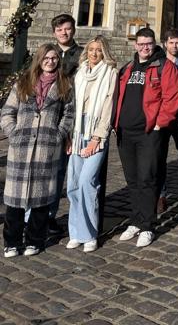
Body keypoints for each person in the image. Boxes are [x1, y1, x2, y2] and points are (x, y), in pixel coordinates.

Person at [113, 27, 178, 248]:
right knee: (133, 180)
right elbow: (117, 96)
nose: (145, 48)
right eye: (141, 44)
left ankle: (148, 225)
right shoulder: (127, 68)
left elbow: (173, 96)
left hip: (149, 133)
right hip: (125, 132)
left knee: (148, 179)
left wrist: (160, 124)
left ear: (154, 44)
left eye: (148, 44)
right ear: (136, 45)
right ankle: (136, 220)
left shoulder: (164, 67)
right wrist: (115, 123)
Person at [1, 44, 73, 258]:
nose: (50, 62)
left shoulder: (65, 85)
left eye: (54, 58)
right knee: (14, 200)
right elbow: (7, 112)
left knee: (41, 199)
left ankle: (35, 240)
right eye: (47, 58)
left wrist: (58, 135)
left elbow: (69, 115)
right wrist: (14, 133)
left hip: (46, 148)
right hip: (21, 148)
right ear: (39, 60)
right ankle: (12, 241)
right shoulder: (23, 83)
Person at [66, 37, 118, 252]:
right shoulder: (80, 73)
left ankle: (89, 234)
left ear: (104, 52)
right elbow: (72, 105)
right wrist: (68, 136)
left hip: (96, 130)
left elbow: (109, 105)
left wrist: (98, 137)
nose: (94, 53)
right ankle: (75, 231)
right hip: (78, 130)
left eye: (98, 50)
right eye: (91, 49)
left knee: (88, 181)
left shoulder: (110, 73)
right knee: (74, 184)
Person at [48, 13, 83, 235]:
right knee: (45, 172)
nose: (64, 32)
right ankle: (39, 215)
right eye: (60, 29)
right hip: (47, 119)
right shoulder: (48, 53)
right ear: (55, 32)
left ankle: (66, 219)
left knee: (65, 172)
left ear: (73, 30)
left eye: (68, 29)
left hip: (72, 117)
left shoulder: (81, 55)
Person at [156, 28, 178, 214]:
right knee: (159, 158)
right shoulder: (158, 63)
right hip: (163, 116)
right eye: (171, 42)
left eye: (177, 43)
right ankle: (161, 195)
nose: (175, 46)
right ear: (165, 44)